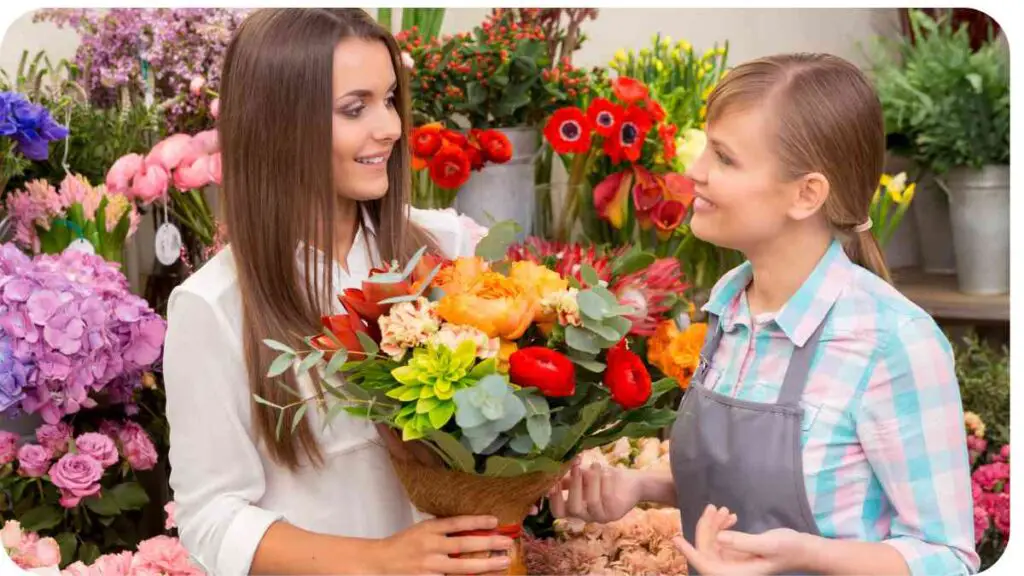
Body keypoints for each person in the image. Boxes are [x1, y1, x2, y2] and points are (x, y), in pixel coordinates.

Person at [547, 53, 980, 576]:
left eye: (725, 158)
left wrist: (806, 555)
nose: (694, 172)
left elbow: (949, 558)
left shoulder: (892, 341)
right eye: (707, 146)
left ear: (806, 194)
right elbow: (745, 487)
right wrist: (641, 487)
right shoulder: (731, 307)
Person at [162, 9, 511, 575]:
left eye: (390, 98)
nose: (391, 127)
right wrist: (382, 561)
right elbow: (213, 518)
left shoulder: (444, 248)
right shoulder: (215, 307)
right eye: (356, 108)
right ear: (278, 125)